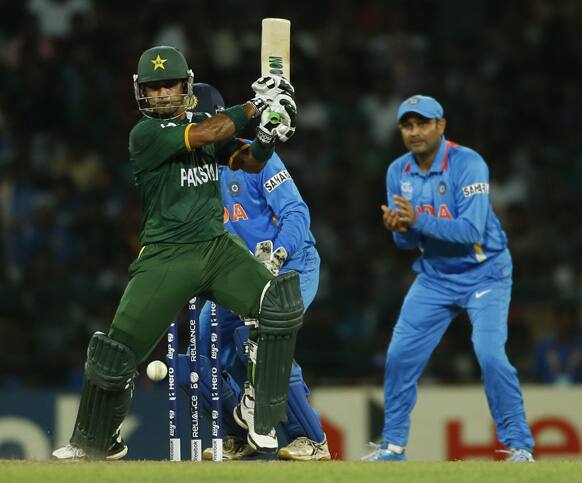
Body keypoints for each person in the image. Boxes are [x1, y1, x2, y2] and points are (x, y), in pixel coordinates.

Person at [52, 45, 302, 460]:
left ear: (186, 85)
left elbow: (247, 162)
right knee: (117, 352)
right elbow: (207, 136)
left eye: (170, 85)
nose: (163, 94)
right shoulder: (145, 134)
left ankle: (259, 413)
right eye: (154, 88)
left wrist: (268, 136)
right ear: (141, 92)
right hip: (167, 256)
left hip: (217, 247)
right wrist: (257, 106)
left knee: (279, 305)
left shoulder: (204, 120)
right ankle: (93, 443)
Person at [362, 95, 535, 462]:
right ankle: (392, 447)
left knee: (490, 355)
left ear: (441, 126)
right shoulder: (398, 172)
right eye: (408, 125)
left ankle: (519, 446)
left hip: (485, 272)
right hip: (436, 277)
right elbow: (408, 242)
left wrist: (416, 221)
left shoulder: (468, 163)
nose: (415, 132)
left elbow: (471, 229)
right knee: (398, 357)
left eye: (423, 123)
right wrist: (398, 228)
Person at [188, 83, 330, 461]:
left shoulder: (253, 156)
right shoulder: (192, 173)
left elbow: (296, 213)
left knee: (265, 341)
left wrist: (279, 254)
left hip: (291, 268)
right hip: (239, 277)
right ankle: (238, 435)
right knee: (198, 354)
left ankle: (311, 440)